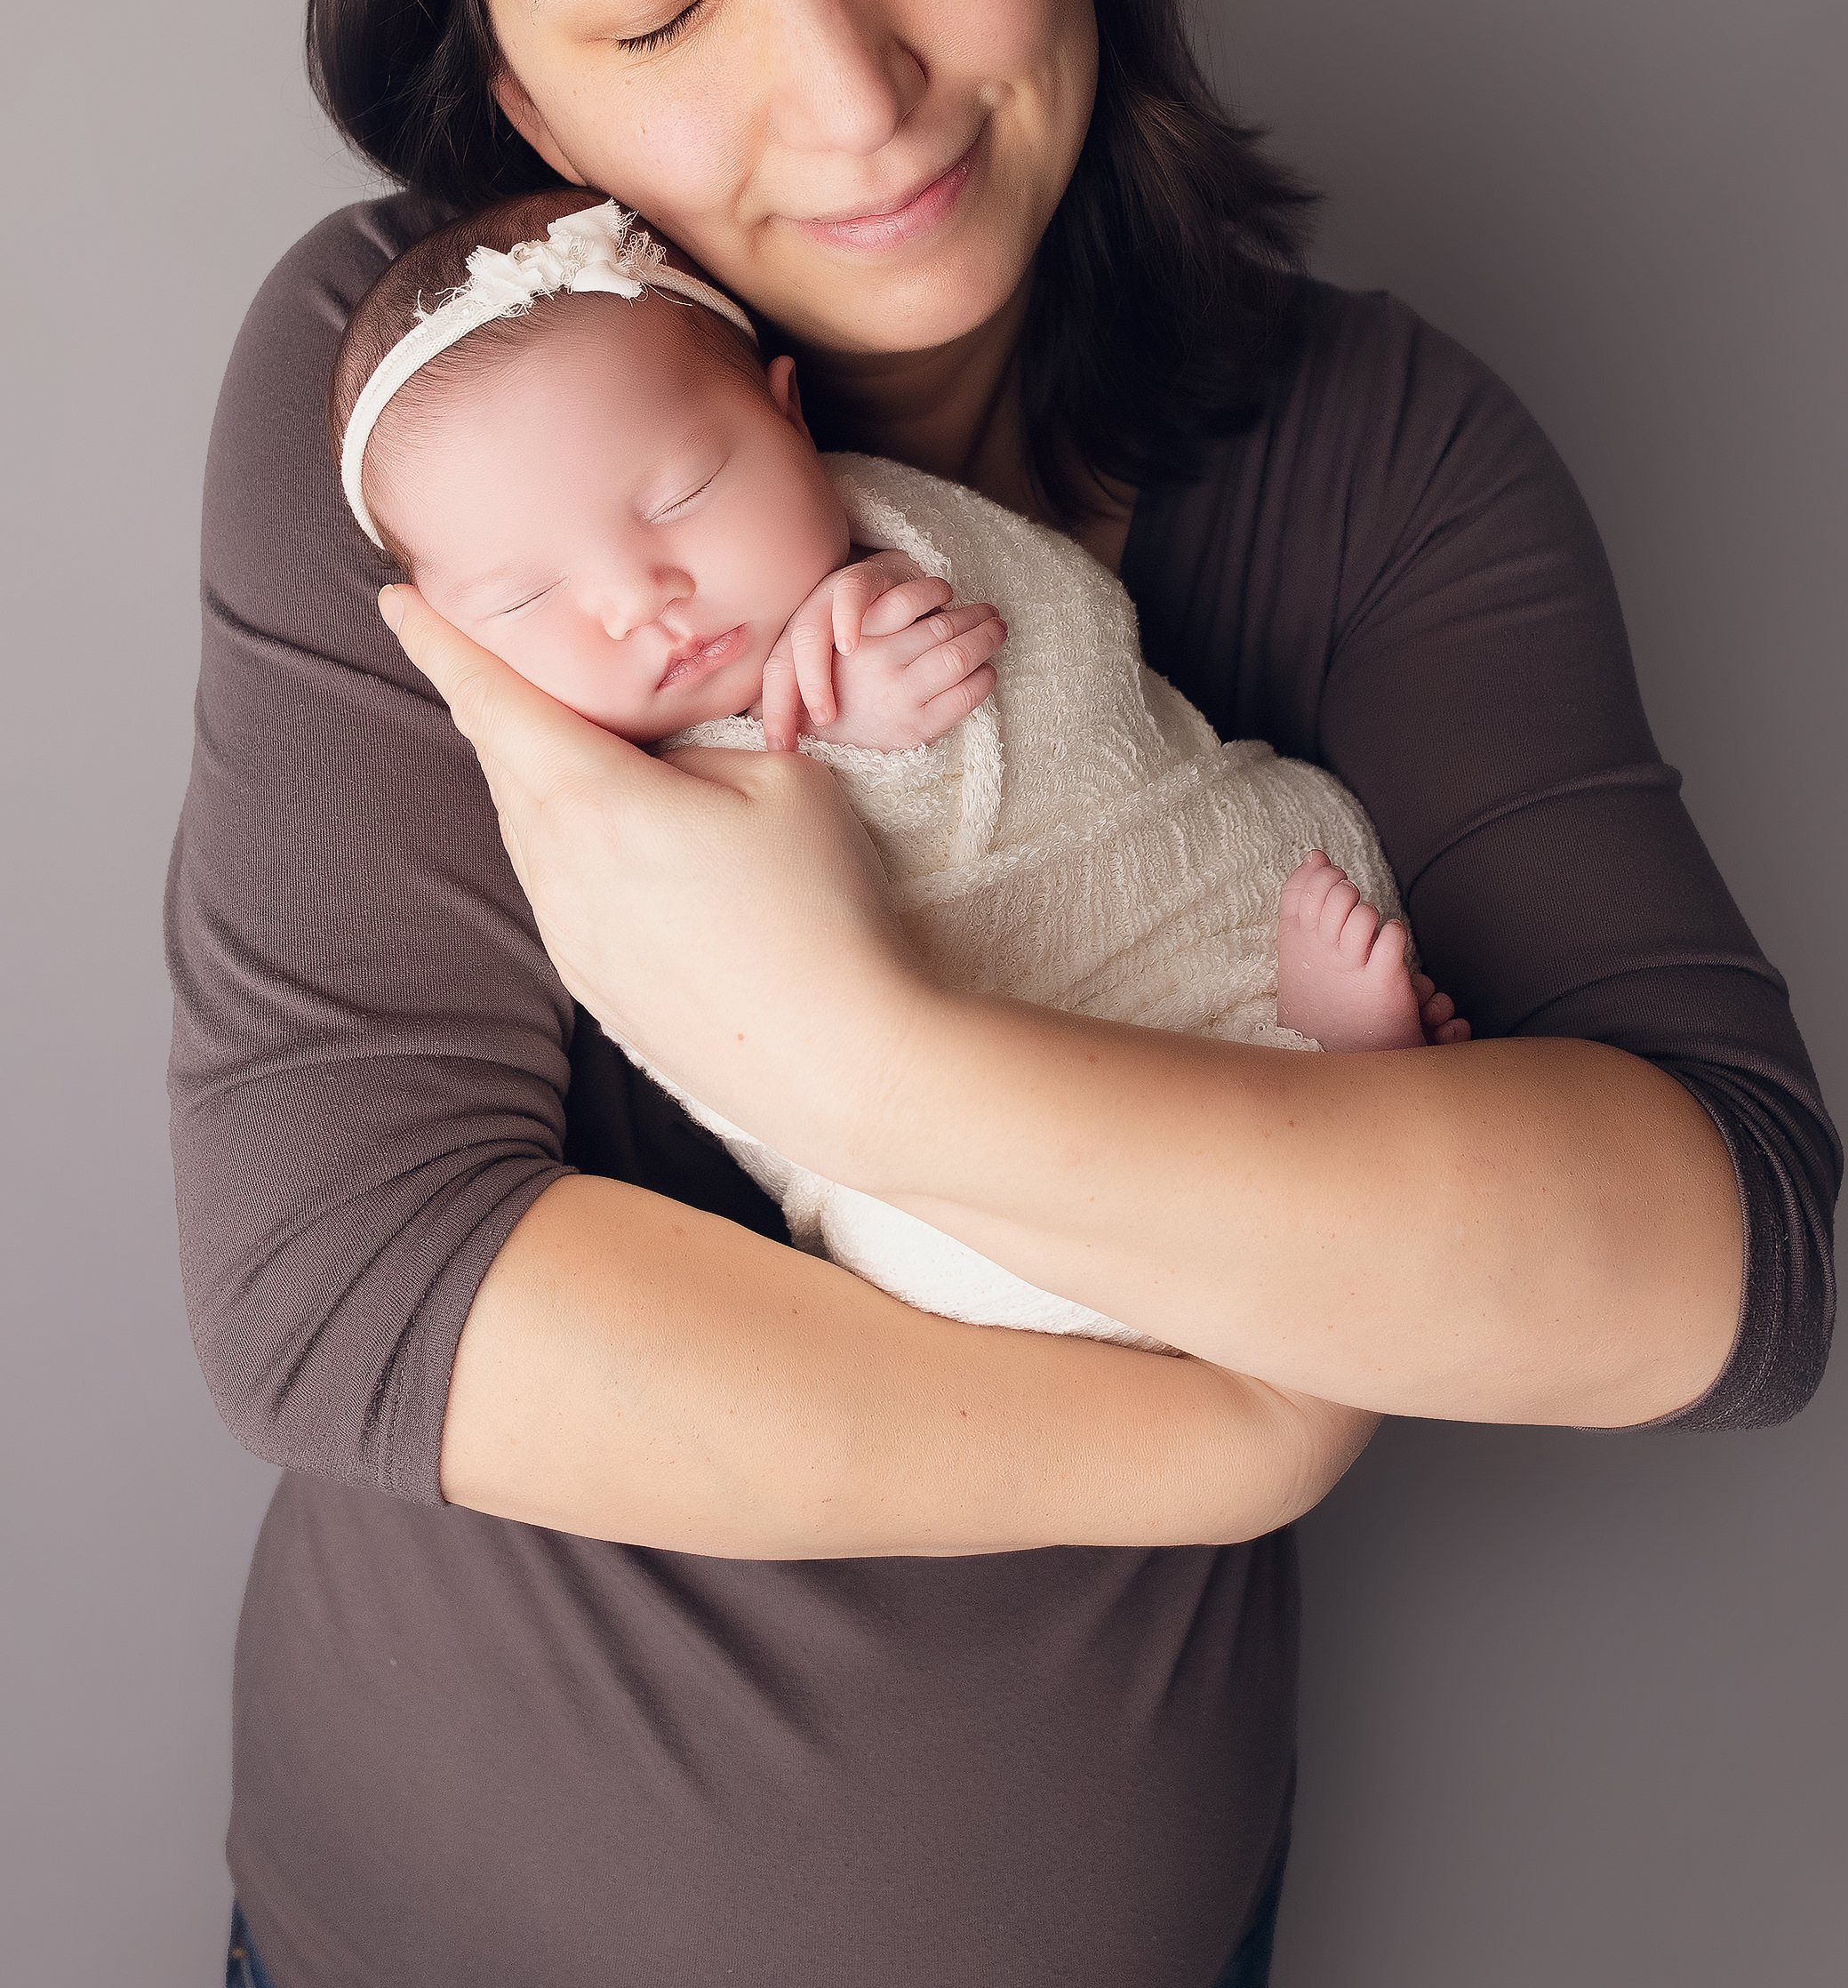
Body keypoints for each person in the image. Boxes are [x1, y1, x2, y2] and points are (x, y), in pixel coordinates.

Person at [169, 0, 1836, 1988]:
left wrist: (862, 1052)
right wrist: (1238, 1439)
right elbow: (342, 1288)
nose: (846, 92)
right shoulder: (428, 421)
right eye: (653, 6)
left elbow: (1717, 1263)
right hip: (395, 1970)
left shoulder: (1375, 460)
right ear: (523, 117)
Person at [327, 184, 1464, 1350]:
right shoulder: (589, 792)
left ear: (787, 419)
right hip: (969, 1145)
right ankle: (1335, 1116)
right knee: (950, 1254)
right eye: (525, 596)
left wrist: (888, 610)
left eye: (681, 495)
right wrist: (825, 750)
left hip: (1172, 927)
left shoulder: (896, 533)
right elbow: (709, 999)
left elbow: (1053, 642)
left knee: (1309, 897)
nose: (635, 601)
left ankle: (1332, 1067)